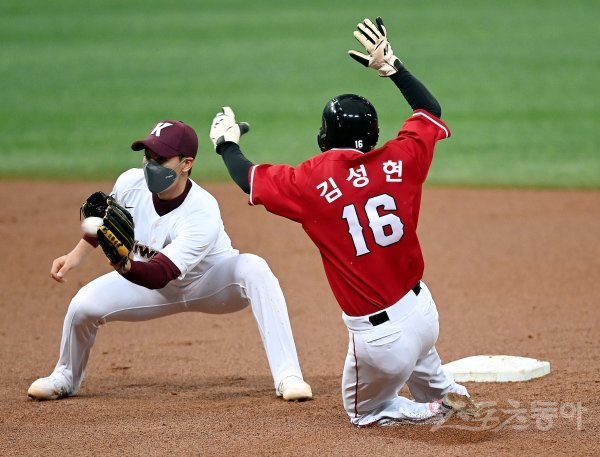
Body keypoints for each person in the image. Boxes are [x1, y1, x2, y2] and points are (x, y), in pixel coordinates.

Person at [209, 17, 477, 426]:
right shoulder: (402, 158)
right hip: (423, 312)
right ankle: (445, 392)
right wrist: (394, 68)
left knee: (363, 412)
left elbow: (248, 178)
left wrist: (226, 144)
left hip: (380, 339)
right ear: (374, 134)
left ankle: (430, 409)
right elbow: (429, 110)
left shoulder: (310, 182)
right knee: (422, 355)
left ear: (325, 136)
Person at [28, 119, 312, 402]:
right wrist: (74, 256)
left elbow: (160, 273)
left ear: (186, 163)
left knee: (254, 269)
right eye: (148, 156)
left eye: (161, 159)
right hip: (147, 283)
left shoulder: (202, 210)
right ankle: (65, 376)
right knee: (81, 307)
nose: (150, 165)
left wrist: (124, 266)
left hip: (210, 284)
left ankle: (288, 376)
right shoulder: (129, 183)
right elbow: (104, 221)